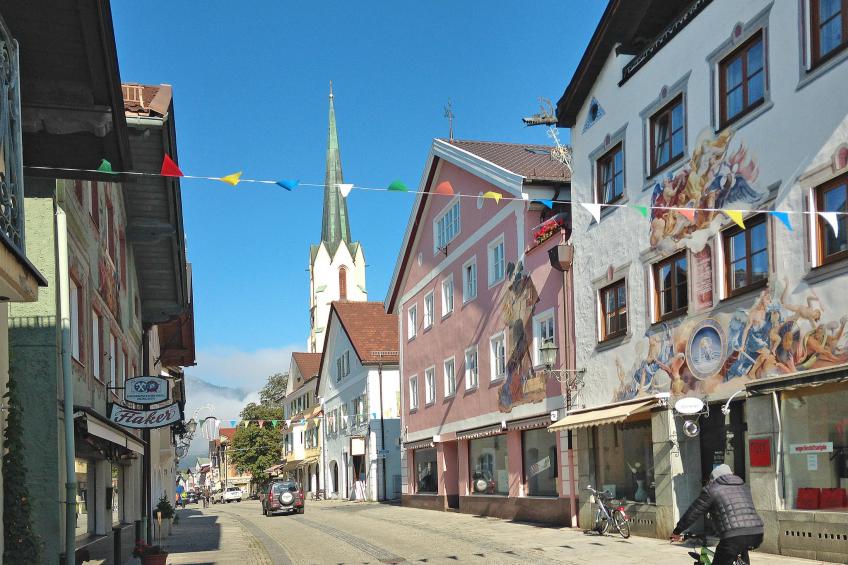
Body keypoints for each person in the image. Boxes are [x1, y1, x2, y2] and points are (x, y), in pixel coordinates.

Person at [670, 464, 763, 565]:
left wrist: (677, 531)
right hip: (757, 533)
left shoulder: (712, 489)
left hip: (733, 536)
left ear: (714, 478)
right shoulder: (743, 487)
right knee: (740, 549)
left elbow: (693, 512)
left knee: (730, 548)